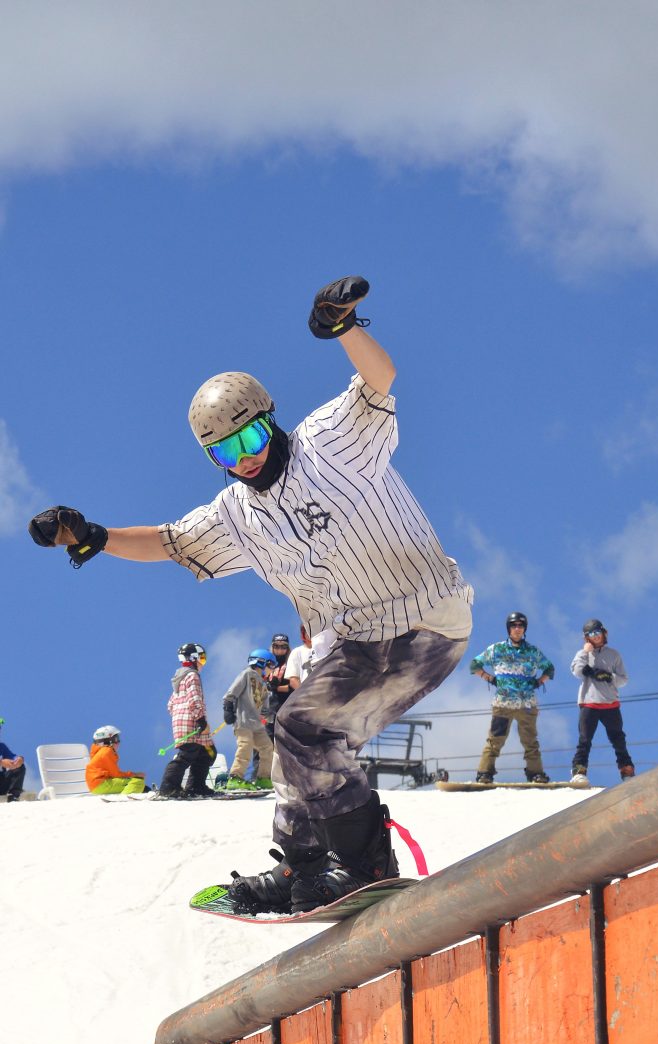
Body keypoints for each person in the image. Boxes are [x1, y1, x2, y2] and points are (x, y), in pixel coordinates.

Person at [28, 275, 473, 913]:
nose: (243, 460)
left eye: (250, 440)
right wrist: (94, 534)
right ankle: (301, 870)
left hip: (420, 616)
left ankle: (366, 864)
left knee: (305, 728)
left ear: (270, 421)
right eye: (224, 453)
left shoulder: (328, 442)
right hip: (353, 640)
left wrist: (343, 328)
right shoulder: (237, 514)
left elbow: (380, 379)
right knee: (291, 759)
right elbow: (170, 541)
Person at [470, 612, 554, 784]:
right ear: (509, 628)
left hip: (527, 704)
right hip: (503, 703)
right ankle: (485, 773)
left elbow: (549, 668)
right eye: (514, 626)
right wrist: (490, 678)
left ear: (524, 629)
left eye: (520, 626)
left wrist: (539, 682)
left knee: (530, 741)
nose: (517, 629)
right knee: (495, 739)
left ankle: (535, 773)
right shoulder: (497, 649)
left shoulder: (532, 652)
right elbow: (474, 665)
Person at [570, 618, 634, 785]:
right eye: (591, 634)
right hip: (589, 702)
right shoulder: (582, 654)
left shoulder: (613, 654)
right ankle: (579, 770)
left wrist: (608, 676)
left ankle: (626, 770)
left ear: (604, 633)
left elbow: (624, 679)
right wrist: (585, 653)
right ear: (586, 637)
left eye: (597, 632)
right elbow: (577, 671)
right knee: (585, 739)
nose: (595, 636)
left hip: (610, 703)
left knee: (618, 739)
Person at [159, 643, 216, 799]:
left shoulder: (179, 678)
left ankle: (197, 786)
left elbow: (170, 704)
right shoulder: (192, 675)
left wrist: (180, 715)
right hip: (192, 720)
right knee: (188, 753)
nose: (203, 663)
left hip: (182, 720)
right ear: (193, 658)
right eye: (202, 659)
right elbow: (195, 698)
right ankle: (169, 787)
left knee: (207, 753)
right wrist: (201, 719)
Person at [223, 649, 276, 790]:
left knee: (268, 748)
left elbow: (264, 709)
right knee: (245, 746)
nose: (273, 670)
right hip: (243, 721)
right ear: (262, 663)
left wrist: (271, 715)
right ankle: (235, 778)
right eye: (272, 666)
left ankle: (263, 778)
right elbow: (231, 692)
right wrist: (228, 708)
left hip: (257, 725)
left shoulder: (264, 685)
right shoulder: (246, 674)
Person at [86, 725, 146, 795]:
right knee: (138, 781)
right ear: (108, 741)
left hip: (97, 785)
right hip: (101, 784)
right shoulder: (107, 752)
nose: (118, 742)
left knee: (137, 784)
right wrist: (135, 774)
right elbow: (116, 775)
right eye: (116, 739)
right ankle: (124, 799)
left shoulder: (100, 752)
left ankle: (141, 792)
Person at [264, 633, 294, 742]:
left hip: (285, 707)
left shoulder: (291, 664)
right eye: (276, 646)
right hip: (267, 708)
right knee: (265, 741)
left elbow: (293, 687)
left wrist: (276, 688)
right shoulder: (266, 664)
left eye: (283, 647)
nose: (279, 649)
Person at [0, 717, 26, 802]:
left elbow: (15, 758)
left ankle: (13, 797)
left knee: (20, 767)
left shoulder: (2, 747)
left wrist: (20, 759)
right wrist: (1, 762)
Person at [284, 625, 315, 690]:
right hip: (308, 692)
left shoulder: (327, 648)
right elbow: (293, 679)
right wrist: (305, 694)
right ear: (303, 634)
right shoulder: (297, 652)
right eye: (308, 631)